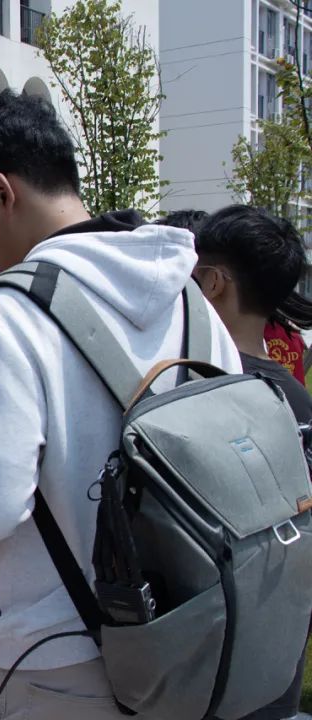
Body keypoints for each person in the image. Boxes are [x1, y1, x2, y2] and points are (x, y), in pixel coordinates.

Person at [0, 90, 241, 717]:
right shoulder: (190, 297)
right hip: (186, 643)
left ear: (2, 190)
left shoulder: (11, 311)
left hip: (56, 664)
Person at [193, 205, 312, 720]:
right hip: (276, 655)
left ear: (215, 282)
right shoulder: (298, 399)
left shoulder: (191, 391)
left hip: (199, 659)